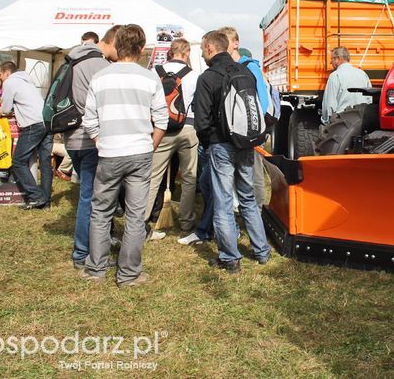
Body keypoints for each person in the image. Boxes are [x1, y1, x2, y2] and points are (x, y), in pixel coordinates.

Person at [80, 24, 168, 287]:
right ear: (142, 49)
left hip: (110, 152)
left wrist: (100, 141)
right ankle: (129, 273)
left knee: (101, 211)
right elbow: (161, 119)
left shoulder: (101, 77)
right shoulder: (149, 77)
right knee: (135, 214)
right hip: (139, 152)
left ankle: (96, 269)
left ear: (116, 46)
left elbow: (89, 119)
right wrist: (150, 145)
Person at [193, 30, 271, 273]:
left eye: (202, 49)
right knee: (248, 198)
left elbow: (202, 120)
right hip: (246, 142)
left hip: (220, 145)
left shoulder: (208, 77)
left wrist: (208, 142)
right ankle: (262, 251)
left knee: (224, 201)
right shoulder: (245, 72)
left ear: (209, 48)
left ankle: (230, 257)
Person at [62, 32, 111, 269]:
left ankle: (97, 241)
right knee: (91, 198)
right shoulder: (99, 64)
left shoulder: (74, 58)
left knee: (89, 194)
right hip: (90, 138)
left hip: (71, 136)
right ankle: (83, 252)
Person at [146, 38, 199, 236]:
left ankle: (142, 219)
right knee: (188, 177)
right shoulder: (194, 75)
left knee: (153, 176)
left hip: (161, 129)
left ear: (170, 52)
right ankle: (186, 221)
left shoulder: (154, 72)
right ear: (186, 54)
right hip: (188, 129)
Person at [218, 26, 269, 206]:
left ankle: (259, 210)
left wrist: (253, 128)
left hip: (251, 130)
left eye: (226, 42)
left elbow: (262, 100)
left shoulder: (250, 67)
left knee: (254, 172)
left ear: (236, 43)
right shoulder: (227, 67)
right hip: (233, 130)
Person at [0, 61, 53, 210]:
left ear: (7, 72)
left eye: (0, 75)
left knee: (18, 162)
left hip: (33, 124)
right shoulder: (27, 81)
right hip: (46, 121)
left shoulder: (10, 82)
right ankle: (45, 200)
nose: (0, 79)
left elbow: (6, 108)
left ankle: (36, 196)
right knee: (45, 163)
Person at [321, 47, 372, 124]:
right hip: (362, 120)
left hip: (343, 123)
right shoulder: (362, 74)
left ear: (338, 58)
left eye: (332, 59)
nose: (330, 62)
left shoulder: (335, 76)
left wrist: (326, 121)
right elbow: (369, 99)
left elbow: (329, 104)